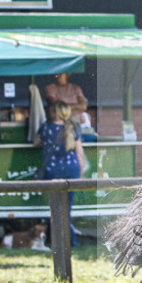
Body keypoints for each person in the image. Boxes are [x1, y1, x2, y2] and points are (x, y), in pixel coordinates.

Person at [34, 102, 86, 247]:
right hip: (72, 169)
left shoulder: (45, 128)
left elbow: (35, 142)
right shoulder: (73, 127)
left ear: (55, 112)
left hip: (53, 170)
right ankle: (62, 241)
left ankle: (68, 242)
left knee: (56, 207)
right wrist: (80, 173)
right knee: (66, 208)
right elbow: (79, 153)